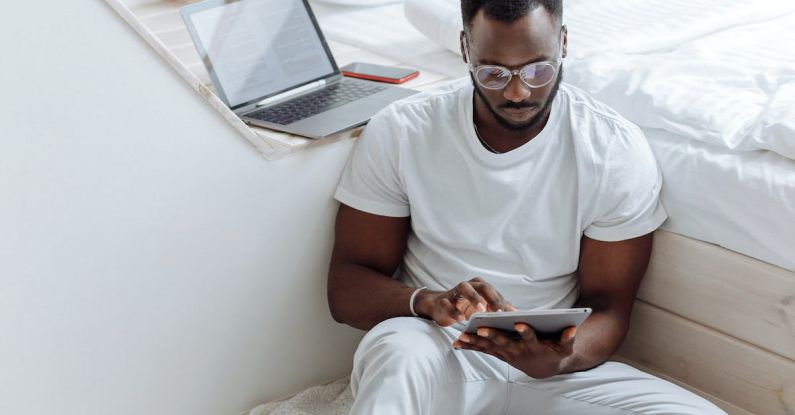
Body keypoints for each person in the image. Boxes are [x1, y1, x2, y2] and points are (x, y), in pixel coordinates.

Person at [327, 0, 727, 413]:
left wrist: (561, 357)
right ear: (465, 49)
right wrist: (427, 301)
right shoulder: (404, 129)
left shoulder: (612, 149)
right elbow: (346, 289)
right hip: (432, 350)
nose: (517, 92)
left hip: (549, 370)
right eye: (493, 73)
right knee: (397, 350)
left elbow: (611, 310)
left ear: (563, 43)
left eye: (538, 69)